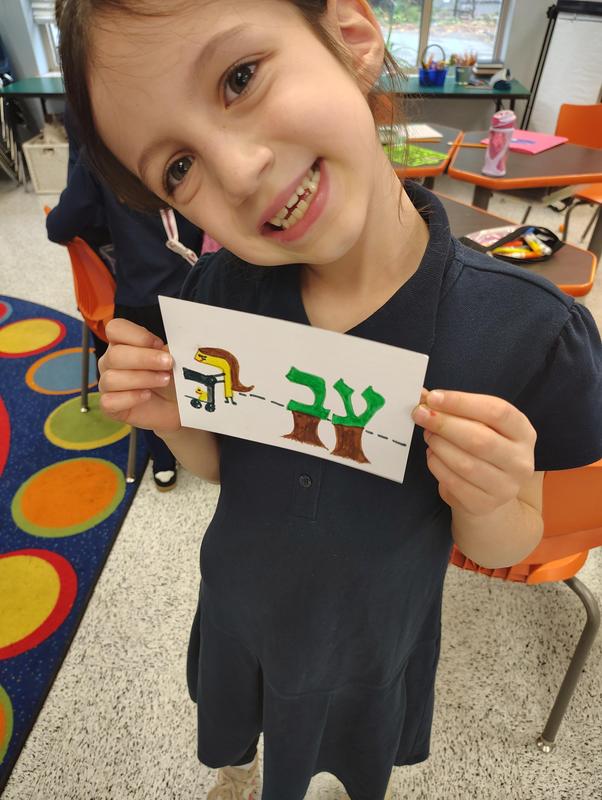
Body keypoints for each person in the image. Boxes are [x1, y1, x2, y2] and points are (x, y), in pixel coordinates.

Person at [56, 1, 602, 798]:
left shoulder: (529, 332)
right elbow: (225, 468)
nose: (239, 173)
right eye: (178, 168)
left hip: (375, 633)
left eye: (239, 77)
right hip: (242, 601)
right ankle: (239, 767)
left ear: (350, 36)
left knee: (351, 752)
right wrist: (173, 423)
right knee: (236, 716)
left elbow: (501, 544)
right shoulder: (217, 296)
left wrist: (492, 492)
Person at [46, 139, 203, 491]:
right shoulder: (186, 136)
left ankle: (163, 461)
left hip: (143, 293)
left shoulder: (100, 151)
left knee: (142, 375)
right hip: (206, 288)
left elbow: (59, 226)